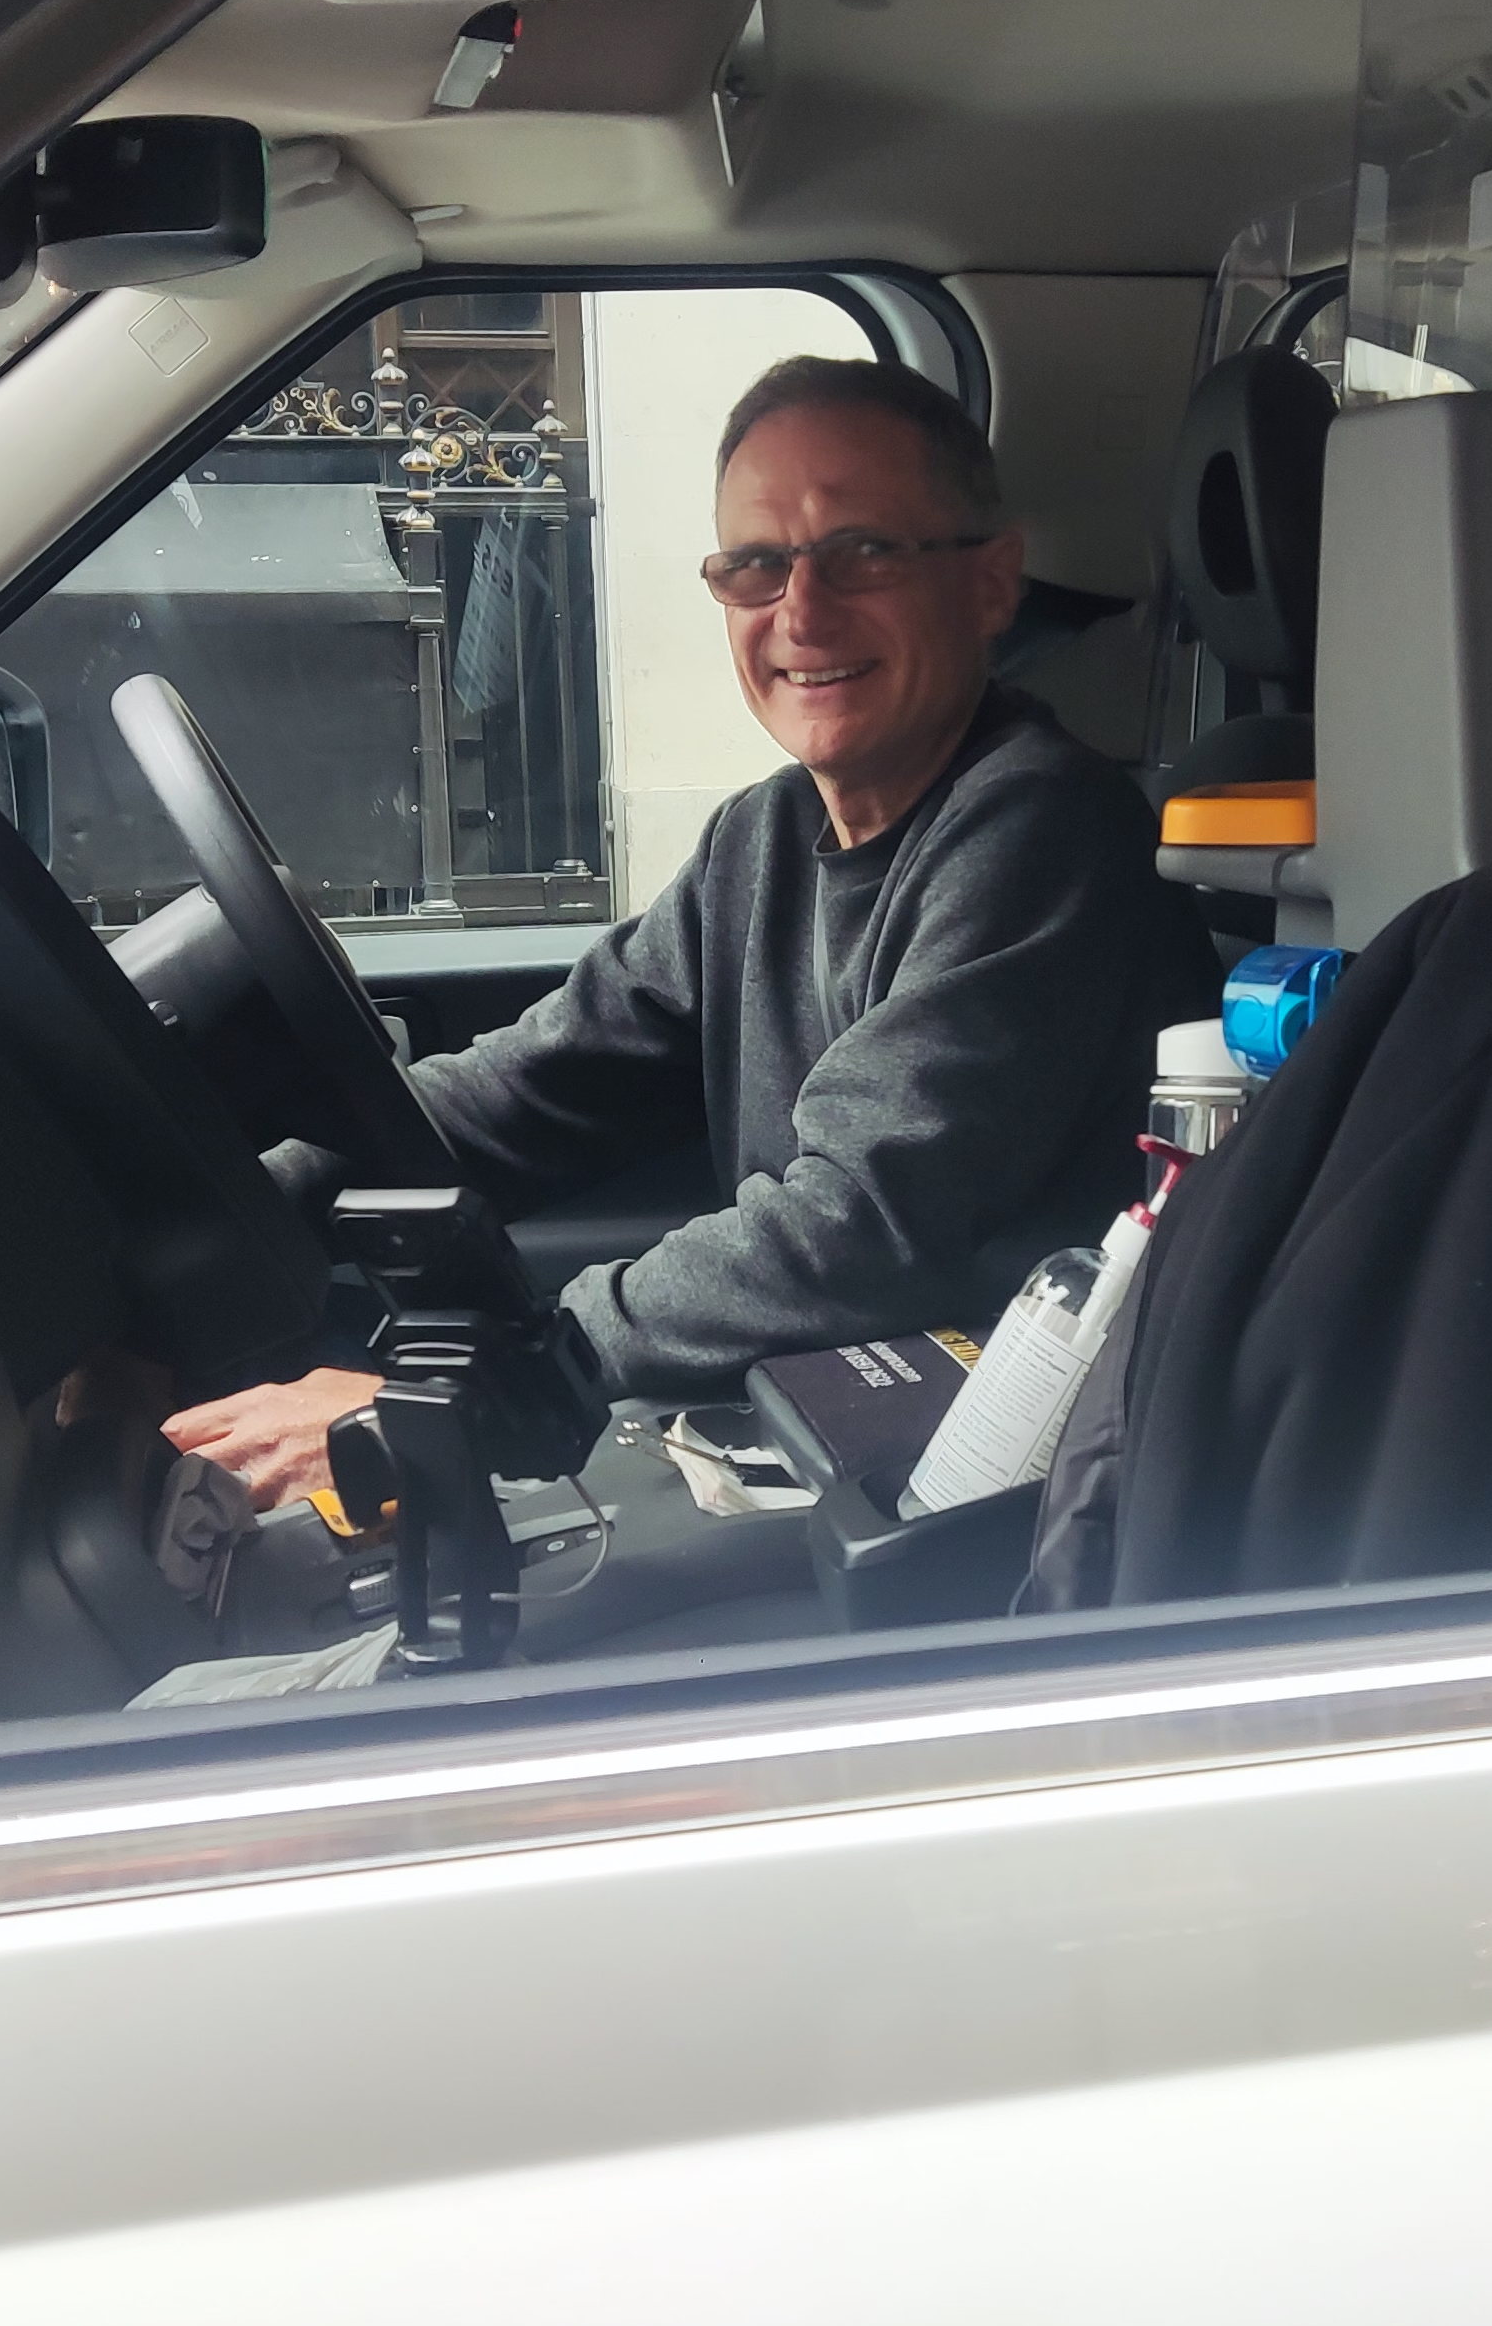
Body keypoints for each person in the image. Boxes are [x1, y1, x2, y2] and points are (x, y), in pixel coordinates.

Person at [168, 353, 1219, 1505]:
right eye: (756, 565)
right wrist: (233, 1219)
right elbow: (535, 1088)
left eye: (861, 551)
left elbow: (867, 1220)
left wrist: (516, 1381)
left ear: (990, 583)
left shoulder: (1042, 827)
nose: (801, 611)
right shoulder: (761, 840)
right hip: (816, 1430)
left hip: (985, 1493)